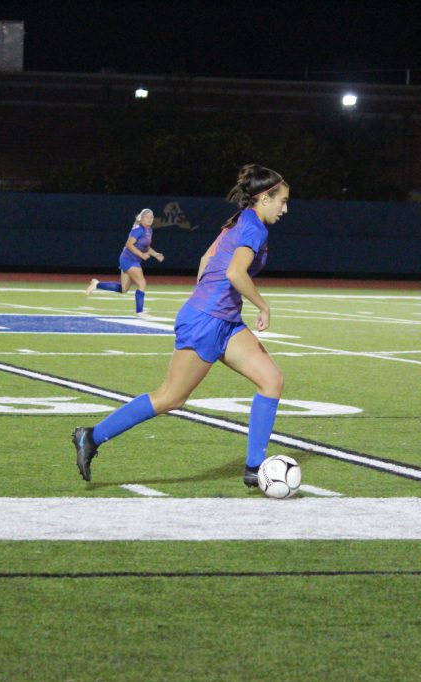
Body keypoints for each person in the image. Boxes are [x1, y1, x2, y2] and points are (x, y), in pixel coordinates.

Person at [72, 164, 288, 486]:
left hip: (223, 321)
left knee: (271, 380)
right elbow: (234, 274)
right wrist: (263, 306)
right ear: (264, 198)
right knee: (170, 397)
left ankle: (254, 469)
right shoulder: (254, 227)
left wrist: (205, 300)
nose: (285, 208)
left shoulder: (241, 221)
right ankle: (91, 436)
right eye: (282, 200)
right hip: (207, 321)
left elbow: (205, 260)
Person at [86, 208, 164, 318]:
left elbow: (145, 247)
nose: (150, 219)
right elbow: (129, 244)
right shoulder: (138, 230)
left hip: (131, 259)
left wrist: (155, 254)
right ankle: (139, 312)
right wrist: (141, 255)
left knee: (123, 289)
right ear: (141, 218)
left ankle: (97, 284)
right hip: (129, 259)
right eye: (147, 216)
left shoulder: (149, 230)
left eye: (151, 217)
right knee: (142, 283)